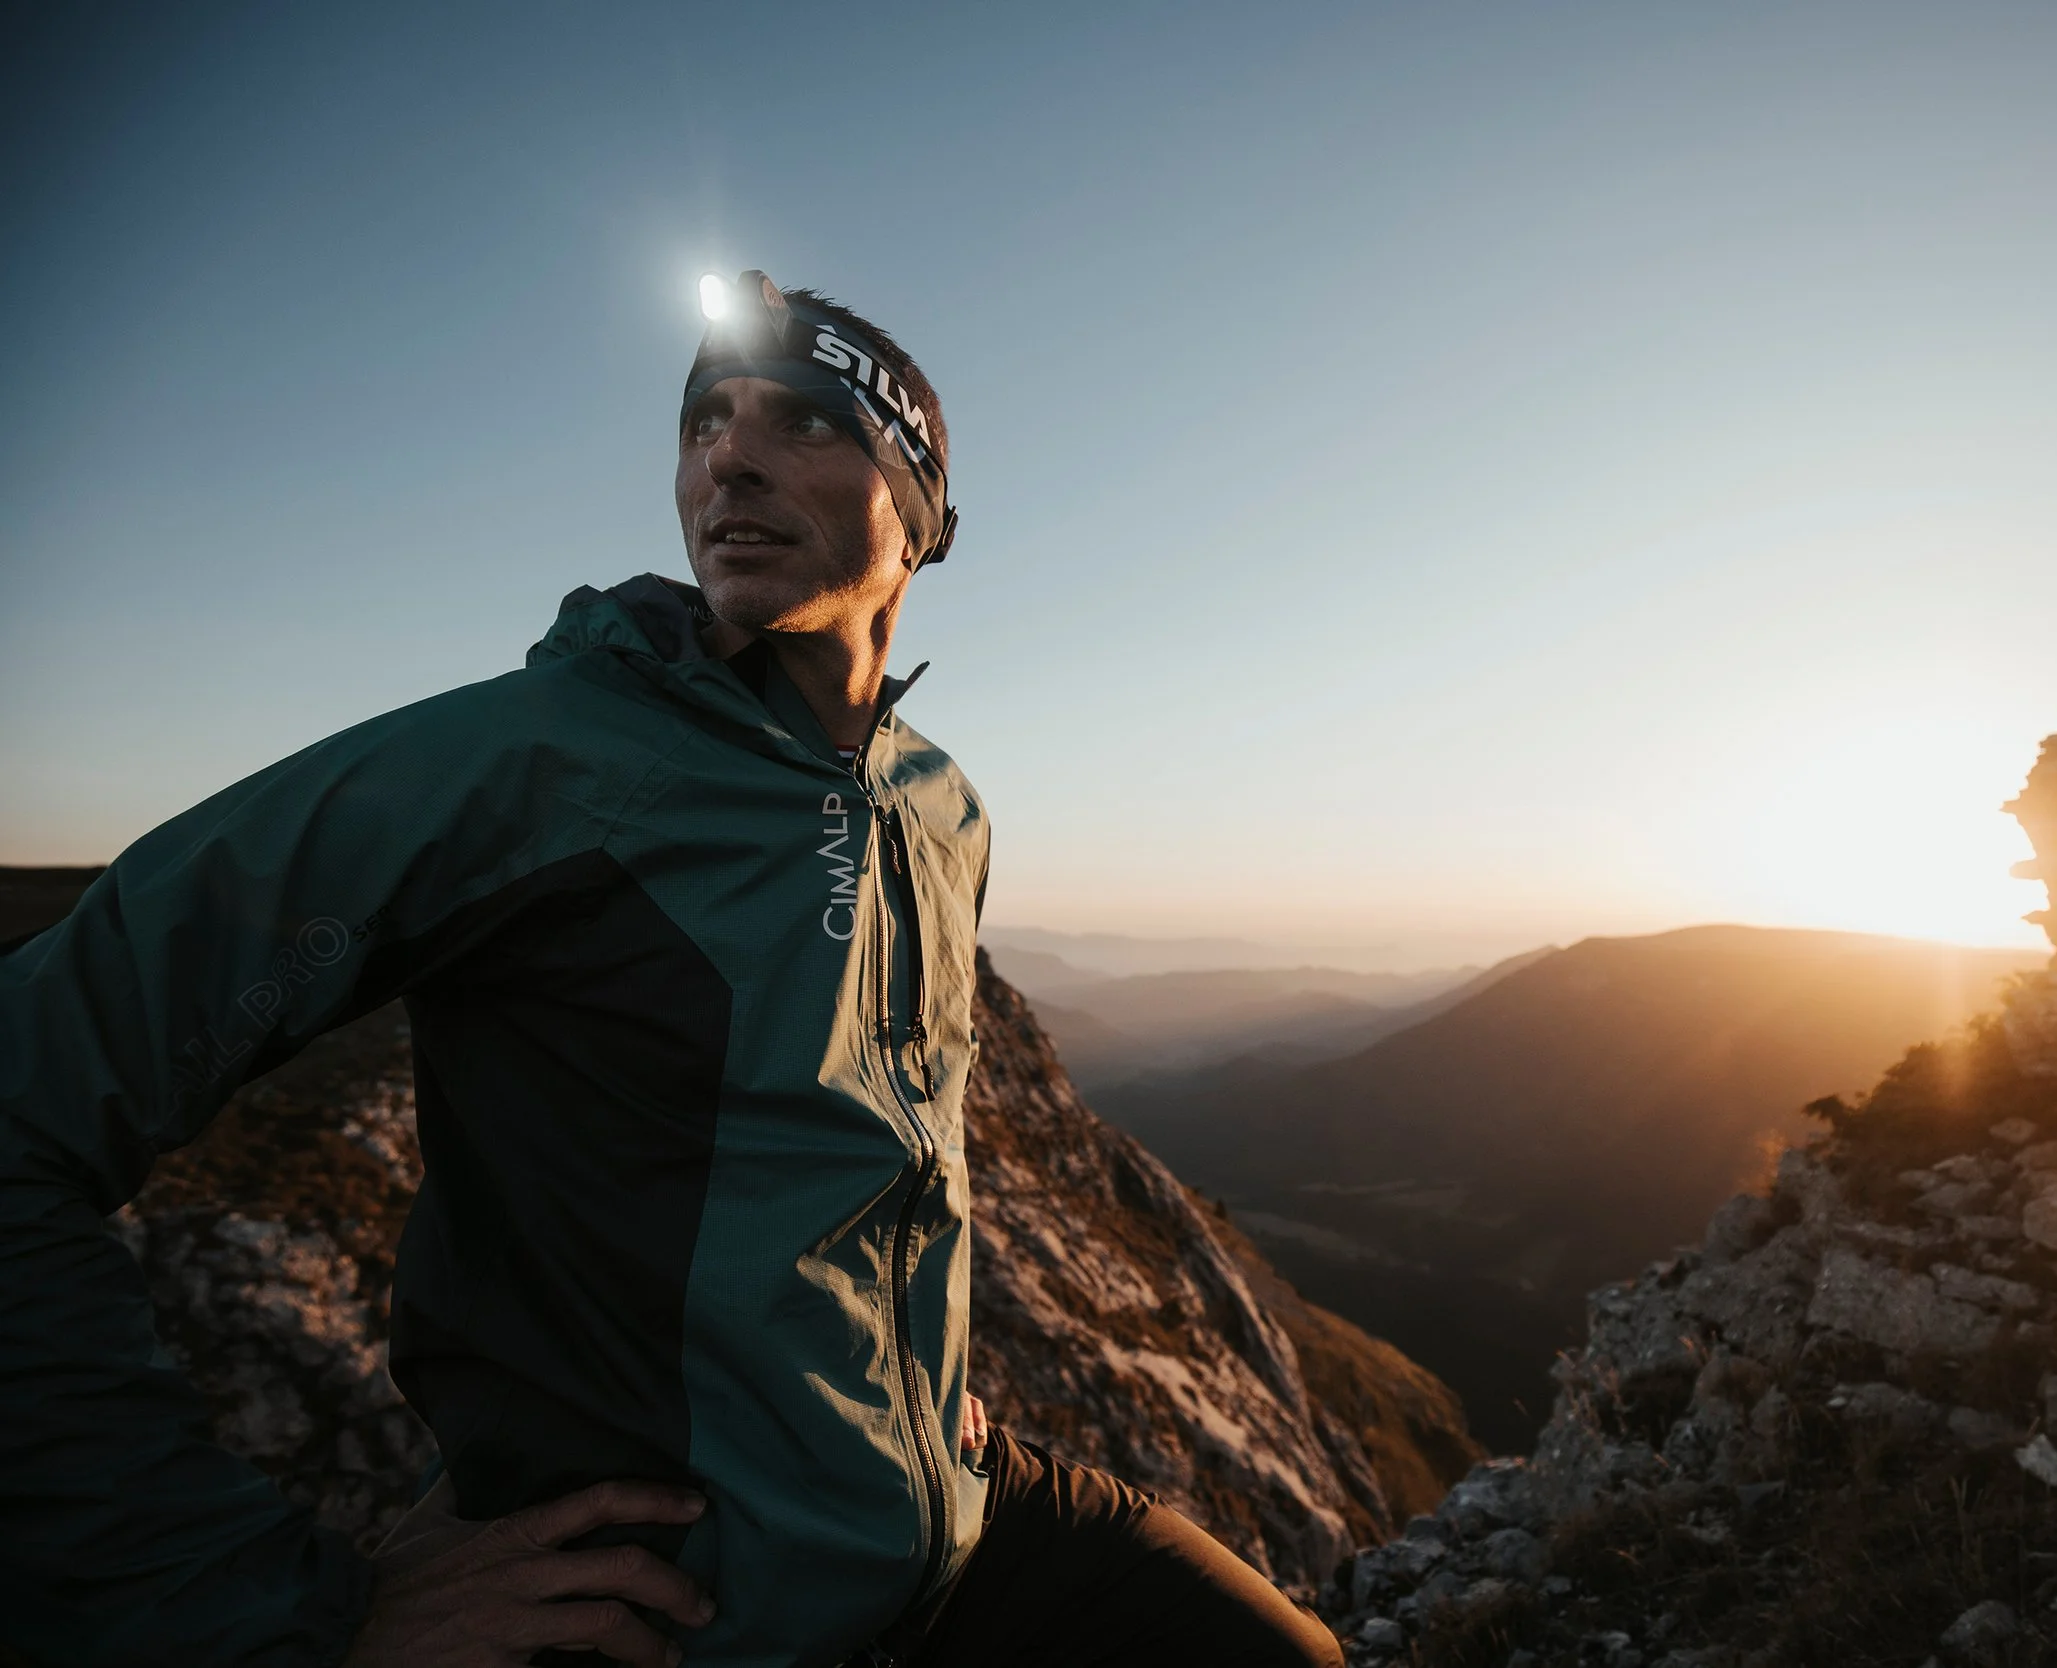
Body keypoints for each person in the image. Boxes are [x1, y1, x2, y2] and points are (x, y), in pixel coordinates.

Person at [0, 271, 1342, 1668]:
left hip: (948, 1521)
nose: (730, 457)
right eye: (706, 419)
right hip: (678, 1618)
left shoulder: (940, 808)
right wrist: (277, 1608)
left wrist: (910, 1389)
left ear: (923, 511)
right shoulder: (527, 766)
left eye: (808, 423)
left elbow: (883, 1148)